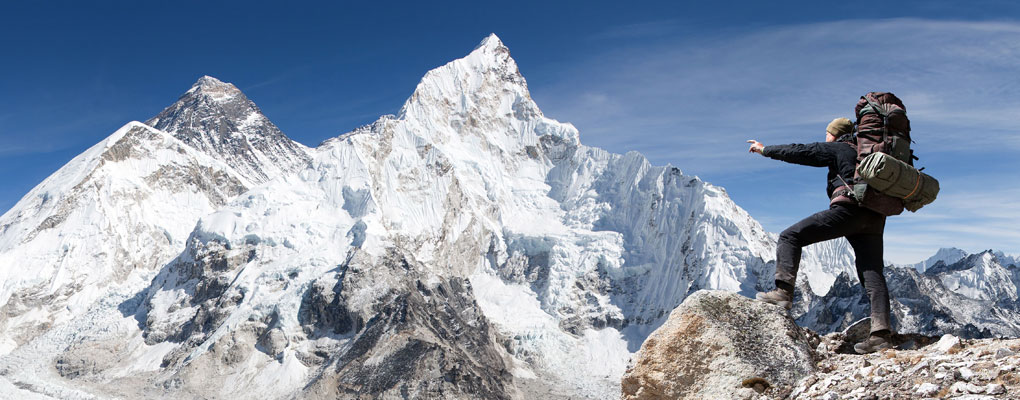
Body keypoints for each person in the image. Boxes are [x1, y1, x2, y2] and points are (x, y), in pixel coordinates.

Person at [747, 117, 893, 354]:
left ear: (834, 134)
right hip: (875, 218)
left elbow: (802, 152)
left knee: (790, 236)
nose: (826, 136)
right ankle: (881, 335)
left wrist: (766, 150)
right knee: (873, 274)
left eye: (827, 133)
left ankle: (783, 292)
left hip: (849, 211)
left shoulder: (838, 148)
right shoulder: (865, 154)